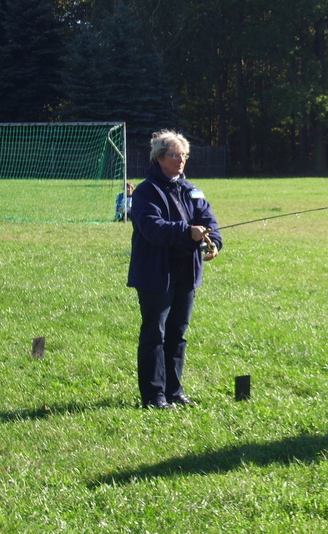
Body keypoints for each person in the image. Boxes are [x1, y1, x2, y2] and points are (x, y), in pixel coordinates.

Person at [127, 130, 222, 409]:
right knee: (155, 334)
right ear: (159, 158)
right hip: (156, 273)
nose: (181, 160)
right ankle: (154, 396)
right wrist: (187, 232)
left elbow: (208, 220)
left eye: (184, 155)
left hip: (187, 272)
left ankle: (175, 392)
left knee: (177, 334)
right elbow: (151, 228)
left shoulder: (192, 189)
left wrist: (213, 241)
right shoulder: (146, 191)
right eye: (174, 155)